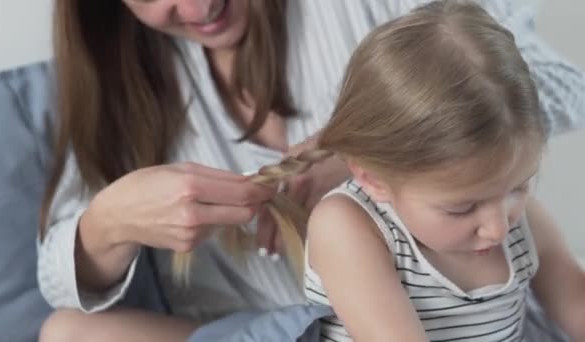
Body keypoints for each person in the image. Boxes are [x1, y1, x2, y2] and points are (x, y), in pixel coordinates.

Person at [37, 0, 584, 341]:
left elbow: (554, 87)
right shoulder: (111, 86)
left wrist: (386, 144)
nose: (199, 4)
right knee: (66, 333)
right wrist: (108, 223)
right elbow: (58, 283)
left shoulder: (505, 210)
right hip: (264, 321)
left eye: (516, 189)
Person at [253, 1, 584, 340]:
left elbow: (575, 302)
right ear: (373, 179)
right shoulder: (348, 226)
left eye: (517, 187)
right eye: (463, 208)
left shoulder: (514, 216)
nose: (498, 228)